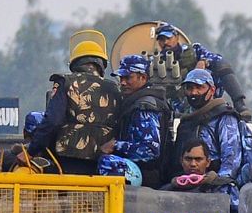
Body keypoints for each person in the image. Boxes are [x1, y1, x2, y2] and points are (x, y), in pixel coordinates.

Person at [25, 34, 121, 176]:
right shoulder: (115, 88)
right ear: (101, 64)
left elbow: (53, 120)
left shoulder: (65, 82)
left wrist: (31, 151)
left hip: (67, 161)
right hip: (101, 164)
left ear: (75, 63)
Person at [174, 69, 252, 185]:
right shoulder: (187, 121)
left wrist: (217, 183)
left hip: (216, 187)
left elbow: (231, 159)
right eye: (189, 88)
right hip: (188, 186)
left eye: (199, 87)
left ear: (212, 90)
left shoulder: (224, 117)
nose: (194, 93)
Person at [153, 22, 249, 116]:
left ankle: (240, 104)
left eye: (168, 38)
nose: (165, 42)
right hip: (179, 100)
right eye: (161, 40)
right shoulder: (157, 61)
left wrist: (204, 61)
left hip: (204, 94)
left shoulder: (193, 51)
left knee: (222, 65)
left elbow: (217, 60)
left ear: (177, 37)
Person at [107, 55, 167, 188]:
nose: (123, 82)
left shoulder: (145, 107)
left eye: (128, 77)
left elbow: (150, 150)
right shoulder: (134, 102)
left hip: (146, 179)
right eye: (121, 78)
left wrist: (115, 145)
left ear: (143, 78)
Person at [165, 137, 240, 213]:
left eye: (198, 159)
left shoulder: (224, 188)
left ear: (208, 162)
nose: (193, 164)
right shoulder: (167, 192)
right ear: (181, 161)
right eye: (188, 159)